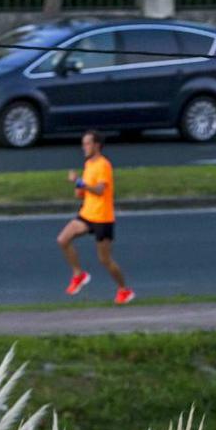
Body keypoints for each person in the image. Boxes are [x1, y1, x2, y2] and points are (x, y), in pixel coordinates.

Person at [56, 130, 135, 305]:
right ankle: (79, 274)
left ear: (97, 145)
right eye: (83, 144)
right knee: (63, 239)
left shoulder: (103, 165)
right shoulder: (88, 164)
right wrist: (78, 188)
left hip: (103, 218)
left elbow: (100, 190)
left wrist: (80, 182)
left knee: (105, 259)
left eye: (88, 144)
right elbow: (82, 193)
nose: (84, 147)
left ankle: (124, 290)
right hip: (87, 214)